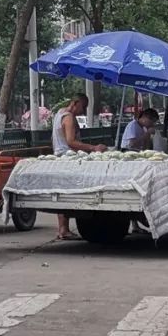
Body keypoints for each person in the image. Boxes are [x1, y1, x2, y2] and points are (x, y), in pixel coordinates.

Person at [52, 94, 107, 240]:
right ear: (75, 103)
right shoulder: (69, 117)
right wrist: (93, 148)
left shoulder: (59, 113)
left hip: (59, 157)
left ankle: (63, 229)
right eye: (83, 107)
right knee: (68, 194)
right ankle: (64, 229)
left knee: (61, 193)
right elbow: (71, 142)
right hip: (68, 158)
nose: (83, 111)